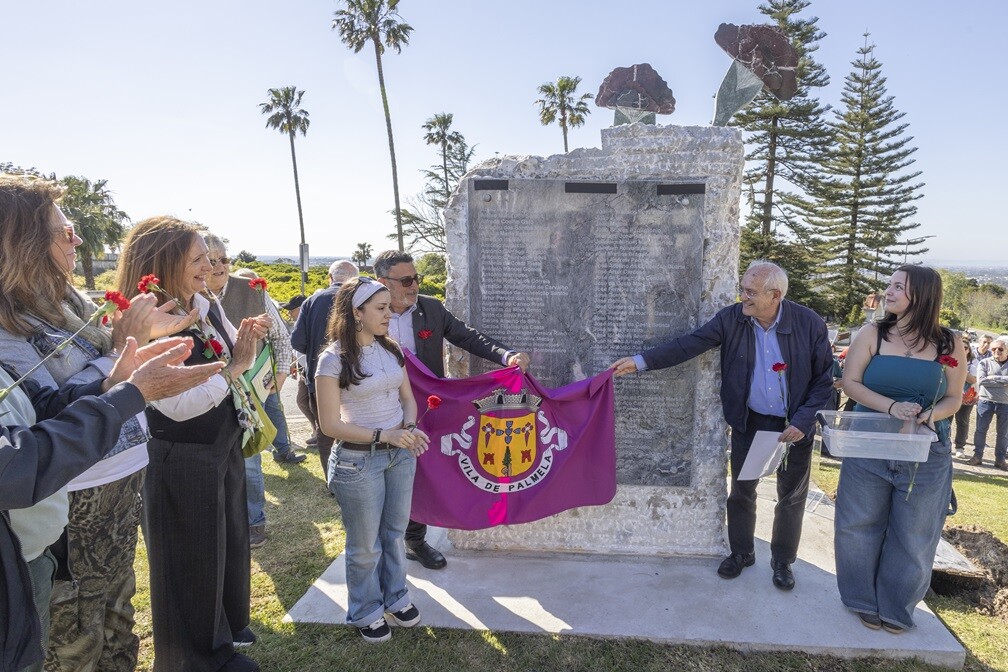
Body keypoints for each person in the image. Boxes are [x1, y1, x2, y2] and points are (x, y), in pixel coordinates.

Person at [0, 175, 196, 672]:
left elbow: (106, 371)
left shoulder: (66, 304)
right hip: (72, 503)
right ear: (22, 243)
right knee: (76, 641)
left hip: (118, 487)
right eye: (65, 233)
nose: (78, 239)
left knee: (118, 620)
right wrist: (118, 354)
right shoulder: (7, 324)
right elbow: (45, 413)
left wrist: (140, 341)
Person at [0, 336, 224, 672]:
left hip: (32, 551)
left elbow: (38, 406)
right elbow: (16, 465)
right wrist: (128, 395)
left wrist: (113, 384)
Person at [610, 260, 833, 590]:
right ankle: (742, 553)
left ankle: (783, 561)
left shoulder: (808, 323)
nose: (742, 296)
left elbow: (823, 381)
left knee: (791, 496)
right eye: (742, 288)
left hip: (794, 425)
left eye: (750, 292)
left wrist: (802, 421)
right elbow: (689, 343)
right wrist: (640, 362)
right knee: (742, 492)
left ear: (775, 295)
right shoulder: (733, 319)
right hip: (750, 421)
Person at [117, 216, 270, 672]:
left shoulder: (200, 303)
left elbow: (225, 352)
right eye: (198, 258)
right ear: (163, 264)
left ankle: (226, 627)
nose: (210, 267)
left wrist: (238, 356)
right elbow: (178, 406)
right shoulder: (148, 320)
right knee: (190, 558)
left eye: (209, 256)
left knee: (226, 541)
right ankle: (197, 659)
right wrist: (236, 367)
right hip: (180, 453)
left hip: (220, 442)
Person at [373, 250, 531, 571]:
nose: (414, 285)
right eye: (406, 280)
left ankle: (414, 540)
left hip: (423, 409)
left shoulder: (430, 309)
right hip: (378, 406)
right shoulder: (368, 312)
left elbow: (466, 336)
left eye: (416, 278)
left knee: (421, 472)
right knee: (380, 474)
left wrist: (506, 356)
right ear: (383, 283)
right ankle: (379, 540)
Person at [835, 265, 966, 634]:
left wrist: (930, 413)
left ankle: (896, 605)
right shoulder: (872, 334)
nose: (888, 292)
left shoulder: (950, 343)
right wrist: (891, 407)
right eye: (890, 285)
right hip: (869, 443)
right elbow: (851, 382)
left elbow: (955, 397)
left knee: (915, 531)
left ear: (922, 296)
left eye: (898, 287)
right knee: (858, 523)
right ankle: (861, 598)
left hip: (926, 452)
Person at [315, 277, 430, 643]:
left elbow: (408, 399)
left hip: (399, 455)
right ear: (356, 313)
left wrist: (408, 428)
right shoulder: (332, 360)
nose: (389, 313)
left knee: (394, 535)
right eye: (381, 308)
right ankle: (366, 609)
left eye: (388, 306)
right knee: (365, 545)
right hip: (357, 463)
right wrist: (387, 435)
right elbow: (331, 425)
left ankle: (396, 598)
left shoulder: (391, 349)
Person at [204, 235, 304, 551]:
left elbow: (280, 337)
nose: (219, 266)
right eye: (211, 260)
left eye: (224, 259)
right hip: (206, 394)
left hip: (249, 391)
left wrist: (278, 375)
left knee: (248, 459)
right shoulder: (184, 294)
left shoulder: (252, 291)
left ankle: (254, 522)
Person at [291, 260, 359, 471]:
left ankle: (331, 478)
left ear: (330, 278)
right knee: (356, 426)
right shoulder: (360, 298)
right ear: (354, 279)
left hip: (319, 378)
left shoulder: (311, 301)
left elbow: (297, 342)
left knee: (325, 430)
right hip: (355, 375)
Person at [969, 336, 1008, 470]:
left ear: (1007, 351)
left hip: (1005, 403)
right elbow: (982, 381)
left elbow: (988, 380)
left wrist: (993, 377)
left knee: (1003, 433)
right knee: (980, 430)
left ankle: (1000, 460)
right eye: (994, 349)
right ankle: (977, 456)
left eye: (1000, 349)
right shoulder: (984, 363)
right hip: (986, 401)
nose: (997, 351)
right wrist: (1004, 382)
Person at [953, 333, 978, 459]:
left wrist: (961, 366)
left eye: (966, 348)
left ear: (969, 350)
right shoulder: (950, 358)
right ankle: (944, 443)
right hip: (950, 394)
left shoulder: (973, 362)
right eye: (960, 347)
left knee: (962, 422)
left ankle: (959, 447)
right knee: (945, 420)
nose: (963, 350)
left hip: (966, 397)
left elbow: (973, 379)